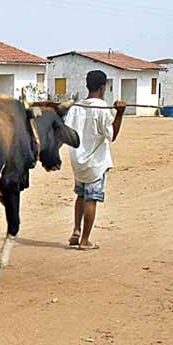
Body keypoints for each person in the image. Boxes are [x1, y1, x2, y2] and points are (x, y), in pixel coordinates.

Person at [64, 69, 126, 250]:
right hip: (96, 164)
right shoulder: (101, 108)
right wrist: (120, 114)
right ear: (103, 87)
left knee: (80, 195)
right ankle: (84, 241)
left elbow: (67, 133)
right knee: (91, 199)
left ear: (86, 86)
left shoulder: (75, 108)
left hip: (78, 162)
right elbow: (111, 135)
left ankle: (76, 230)